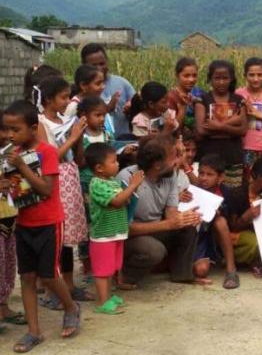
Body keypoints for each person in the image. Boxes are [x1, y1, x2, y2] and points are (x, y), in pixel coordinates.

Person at [2, 100, 80, 353]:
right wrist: (5, 185)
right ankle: (33, 331)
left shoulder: (46, 152)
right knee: (26, 277)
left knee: (49, 275)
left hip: (49, 222)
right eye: (7, 129)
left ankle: (70, 307)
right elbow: (15, 188)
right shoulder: (11, 154)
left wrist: (22, 167)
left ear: (33, 128)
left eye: (16, 130)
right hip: (24, 223)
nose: (10, 135)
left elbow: (46, 189)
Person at [35, 76, 93, 306]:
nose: (68, 101)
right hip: (54, 179)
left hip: (70, 177)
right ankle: (53, 289)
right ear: (49, 99)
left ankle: (68, 284)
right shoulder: (40, 123)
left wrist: (79, 139)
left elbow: (78, 159)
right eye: (63, 97)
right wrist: (73, 137)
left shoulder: (66, 121)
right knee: (55, 236)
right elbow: (48, 158)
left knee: (68, 237)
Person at [118, 135, 202, 287]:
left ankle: (182, 274)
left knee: (188, 227)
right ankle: (124, 276)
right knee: (154, 250)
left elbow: (171, 212)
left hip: (155, 229)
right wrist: (169, 224)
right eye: (173, 157)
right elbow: (122, 228)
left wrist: (185, 218)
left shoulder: (169, 175)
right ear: (157, 165)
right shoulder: (128, 179)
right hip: (127, 237)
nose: (177, 161)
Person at [85, 143, 145, 314]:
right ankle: (103, 302)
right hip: (103, 235)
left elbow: (123, 199)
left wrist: (131, 189)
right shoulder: (97, 184)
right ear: (99, 168)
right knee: (102, 271)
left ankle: (109, 296)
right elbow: (117, 201)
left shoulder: (112, 181)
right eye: (113, 162)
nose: (117, 164)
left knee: (111, 268)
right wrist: (132, 186)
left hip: (116, 232)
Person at [190, 154, 240, 289]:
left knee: (220, 221)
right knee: (201, 270)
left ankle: (231, 270)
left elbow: (232, 223)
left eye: (209, 174)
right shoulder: (192, 191)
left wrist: (218, 213)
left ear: (221, 177)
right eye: (201, 173)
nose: (204, 178)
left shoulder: (227, 193)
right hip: (198, 238)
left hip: (216, 238)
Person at [227, 156, 262, 278]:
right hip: (242, 234)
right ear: (261, 177)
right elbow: (232, 227)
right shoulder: (237, 194)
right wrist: (245, 218)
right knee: (256, 244)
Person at [194, 60, 246, 187]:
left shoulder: (239, 100)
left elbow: (243, 130)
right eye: (217, 78)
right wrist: (231, 127)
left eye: (225, 78)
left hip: (233, 156)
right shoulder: (202, 100)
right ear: (210, 79)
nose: (221, 82)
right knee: (208, 192)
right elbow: (201, 131)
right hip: (208, 157)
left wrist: (218, 126)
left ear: (231, 79)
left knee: (232, 191)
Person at [0, 111, 24, 330]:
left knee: (7, 264)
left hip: (9, 216)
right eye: (4, 129)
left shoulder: (10, 155)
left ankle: (3, 305)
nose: (8, 135)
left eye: (11, 130)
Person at [81, 43, 136, 137]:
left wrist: (132, 108)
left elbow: (138, 106)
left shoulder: (122, 83)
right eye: (93, 65)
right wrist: (108, 107)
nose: (99, 68)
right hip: (95, 142)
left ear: (107, 61)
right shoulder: (82, 90)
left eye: (102, 63)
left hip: (124, 140)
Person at [168, 57, 204, 132]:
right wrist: (183, 107)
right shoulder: (170, 98)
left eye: (194, 75)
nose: (191, 80)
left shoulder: (199, 93)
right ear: (177, 76)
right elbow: (172, 130)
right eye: (186, 76)